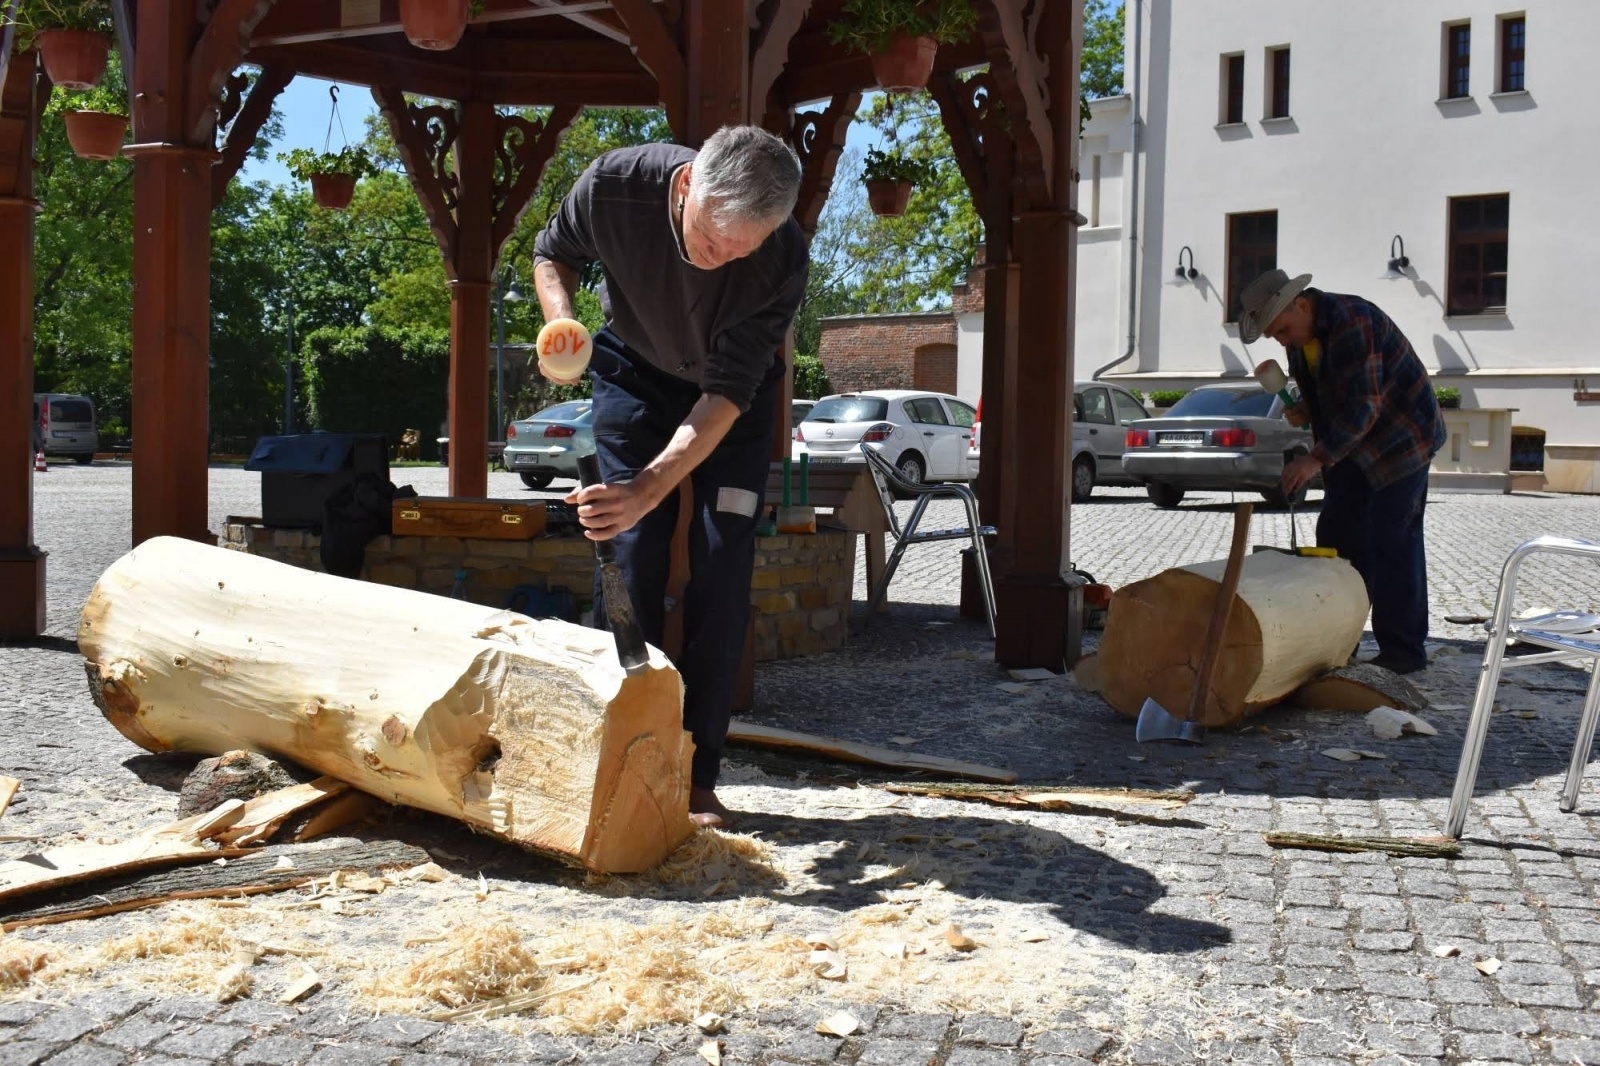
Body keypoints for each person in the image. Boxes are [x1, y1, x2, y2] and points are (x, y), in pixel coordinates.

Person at [531, 126, 808, 828]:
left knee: (723, 558)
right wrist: (561, 323)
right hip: (633, 370)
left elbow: (724, 398)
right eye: (715, 242)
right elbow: (550, 254)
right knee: (627, 550)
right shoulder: (616, 185)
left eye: (740, 251)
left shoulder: (780, 256)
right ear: (686, 189)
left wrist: (651, 485)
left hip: (730, 405)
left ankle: (700, 776)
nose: (723, 262)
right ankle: (625, 758)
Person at [1238, 268, 1445, 675]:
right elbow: (1331, 397)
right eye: (1275, 336)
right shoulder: (1300, 339)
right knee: (1335, 538)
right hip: (1352, 446)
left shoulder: (1354, 320)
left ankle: (1403, 653)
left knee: (1392, 540)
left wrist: (1315, 458)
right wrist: (1306, 409)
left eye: (1282, 330)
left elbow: (1364, 405)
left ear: (1300, 304)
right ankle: (1338, 642)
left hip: (1401, 440)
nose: (1282, 341)